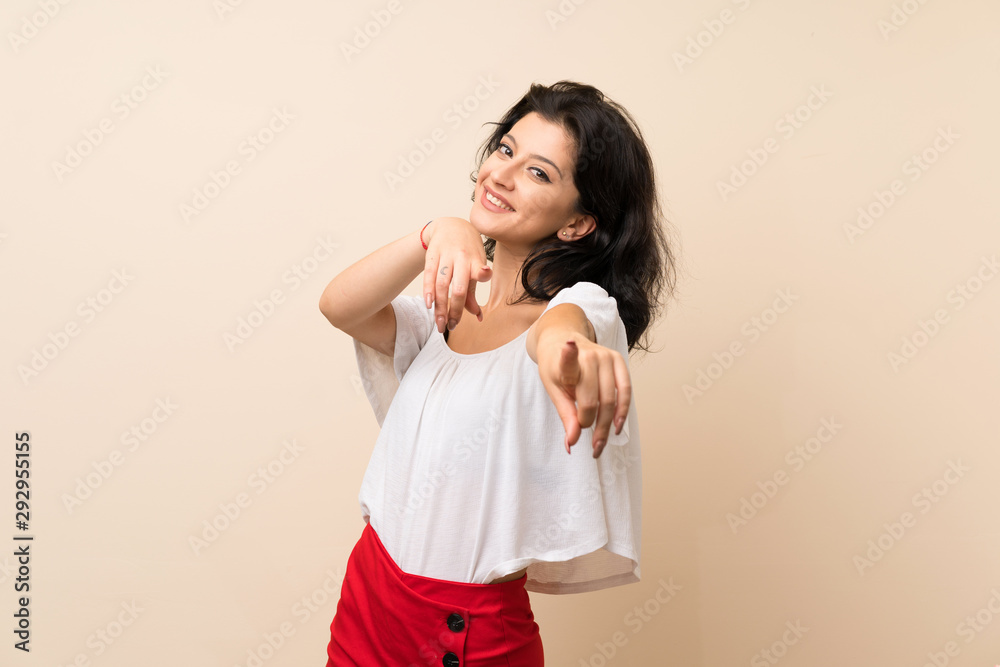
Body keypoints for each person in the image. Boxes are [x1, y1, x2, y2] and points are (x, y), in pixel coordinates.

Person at [319, 80, 677, 666]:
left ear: (577, 223)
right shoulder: (442, 317)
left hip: (463, 632)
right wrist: (434, 233)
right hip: (370, 596)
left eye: (538, 173)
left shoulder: (582, 307)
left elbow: (561, 329)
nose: (502, 175)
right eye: (505, 149)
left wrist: (565, 350)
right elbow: (340, 306)